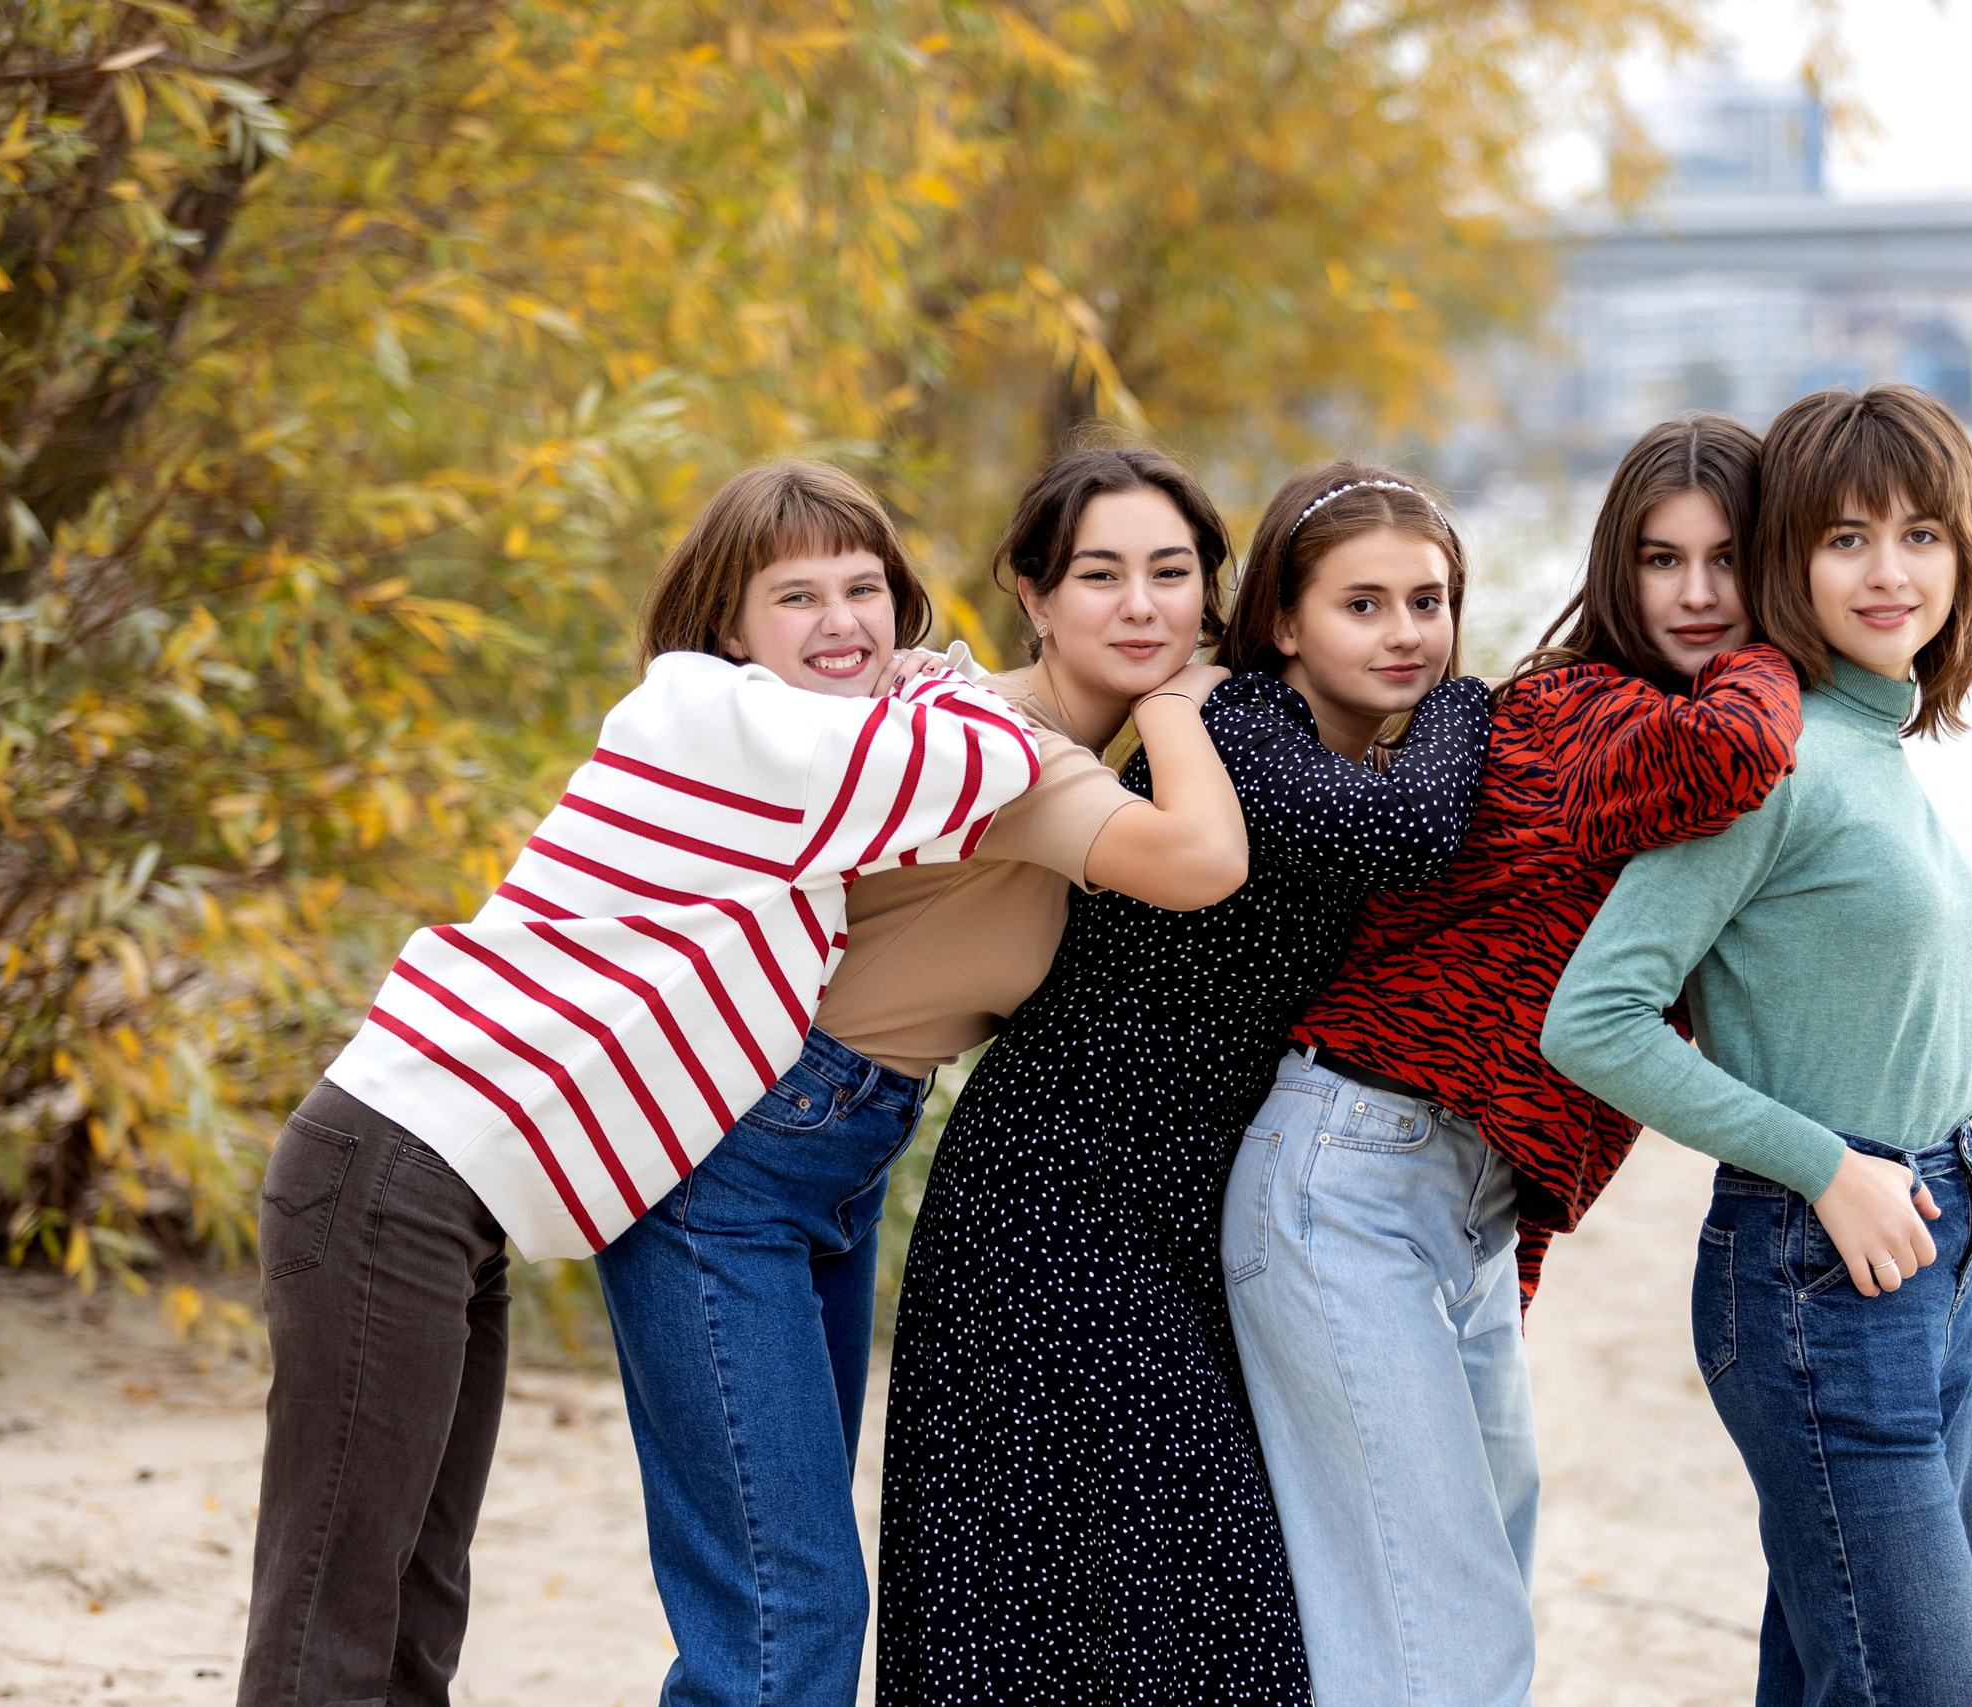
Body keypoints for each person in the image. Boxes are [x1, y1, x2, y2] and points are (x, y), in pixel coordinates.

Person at [236, 460, 1038, 1707]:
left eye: (865, 590)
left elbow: (941, 789)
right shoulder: (707, 721)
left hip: (446, 1198)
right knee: (340, 1589)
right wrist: (949, 684)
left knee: (415, 1583)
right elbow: (994, 769)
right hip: (387, 1171)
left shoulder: (808, 755)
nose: (843, 623)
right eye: (798, 597)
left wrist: (930, 688)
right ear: (725, 624)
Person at [592, 445, 1252, 1706]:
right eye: (1102, 573)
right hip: (733, 1164)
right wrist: (1178, 703)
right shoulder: (984, 743)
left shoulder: (982, 723)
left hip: (833, 1158)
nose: (1143, 607)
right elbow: (1196, 861)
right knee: (786, 1613)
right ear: (1031, 589)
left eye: (1172, 575)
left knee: (781, 1593)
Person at [877, 458, 1490, 1705]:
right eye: (1363, 604)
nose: (1406, 635)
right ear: (1278, 620)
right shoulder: (1242, 731)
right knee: (1177, 1600)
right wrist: (1476, 700)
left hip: (1180, 1218)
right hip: (1059, 1206)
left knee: (1119, 1599)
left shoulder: (1300, 742)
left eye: (1428, 605)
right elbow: (1408, 833)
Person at [1230, 414, 1803, 1706]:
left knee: (1471, 1575)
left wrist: (1512, 1249)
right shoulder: (1576, 710)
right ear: (1617, 567)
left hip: (1457, 1207)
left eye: (1732, 560)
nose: (1701, 595)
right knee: (1445, 1627)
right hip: (1353, 1176)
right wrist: (1792, 643)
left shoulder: (1654, 726)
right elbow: (1735, 747)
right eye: (1664, 559)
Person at [1542, 384, 1972, 1707]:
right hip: (1820, 1268)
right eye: (1845, 536)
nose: (1888, 568)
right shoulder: (1769, 753)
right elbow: (1594, 1016)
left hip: (1930, 1239)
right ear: (1793, 558)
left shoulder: (1872, 737)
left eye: (1922, 533)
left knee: (1827, 1675)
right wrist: (1822, 1160)